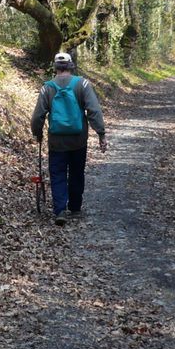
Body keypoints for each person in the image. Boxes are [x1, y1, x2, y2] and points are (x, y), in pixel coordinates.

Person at [31, 52, 107, 225]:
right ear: (71, 65)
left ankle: (60, 210)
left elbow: (38, 116)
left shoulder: (47, 87)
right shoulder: (83, 84)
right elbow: (94, 110)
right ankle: (75, 207)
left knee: (57, 174)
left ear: (55, 67)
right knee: (76, 172)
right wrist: (101, 133)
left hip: (56, 141)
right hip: (78, 140)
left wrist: (37, 132)